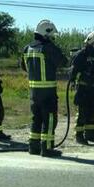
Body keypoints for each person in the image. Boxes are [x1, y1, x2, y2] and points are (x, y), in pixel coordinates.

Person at [21, 20, 67, 157]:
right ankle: (47, 149)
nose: (51, 38)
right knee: (50, 120)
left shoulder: (27, 48)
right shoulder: (48, 47)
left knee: (37, 119)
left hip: (34, 92)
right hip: (48, 92)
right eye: (51, 35)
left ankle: (33, 147)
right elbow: (62, 61)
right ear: (45, 33)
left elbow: (24, 67)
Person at [70, 31, 94, 144]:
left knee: (92, 111)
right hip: (83, 88)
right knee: (83, 112)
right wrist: (72, 80)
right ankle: (79, 135)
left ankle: (90, 134)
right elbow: (74, 69)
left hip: (93, 88)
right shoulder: (82, 54)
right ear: (90, 42)